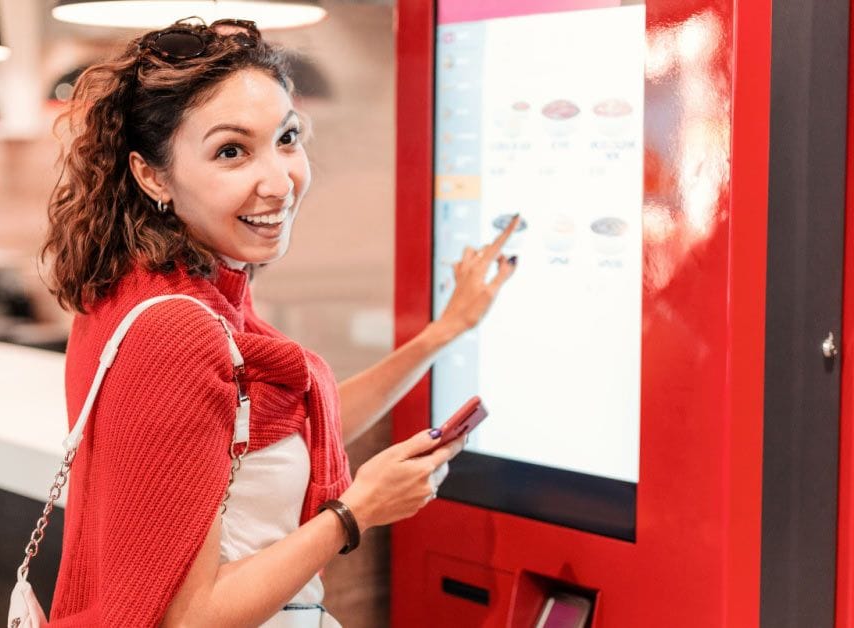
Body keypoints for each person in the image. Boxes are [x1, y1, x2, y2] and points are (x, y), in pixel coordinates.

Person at [39, 18, 520, 627]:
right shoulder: (176, 330)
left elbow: (283, 427)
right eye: (231, 151)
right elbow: (190, 618)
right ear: (152, 174)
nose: (279, 181)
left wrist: (443, 331)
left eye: (286, 139)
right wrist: (357, 511)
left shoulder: (169, 287)